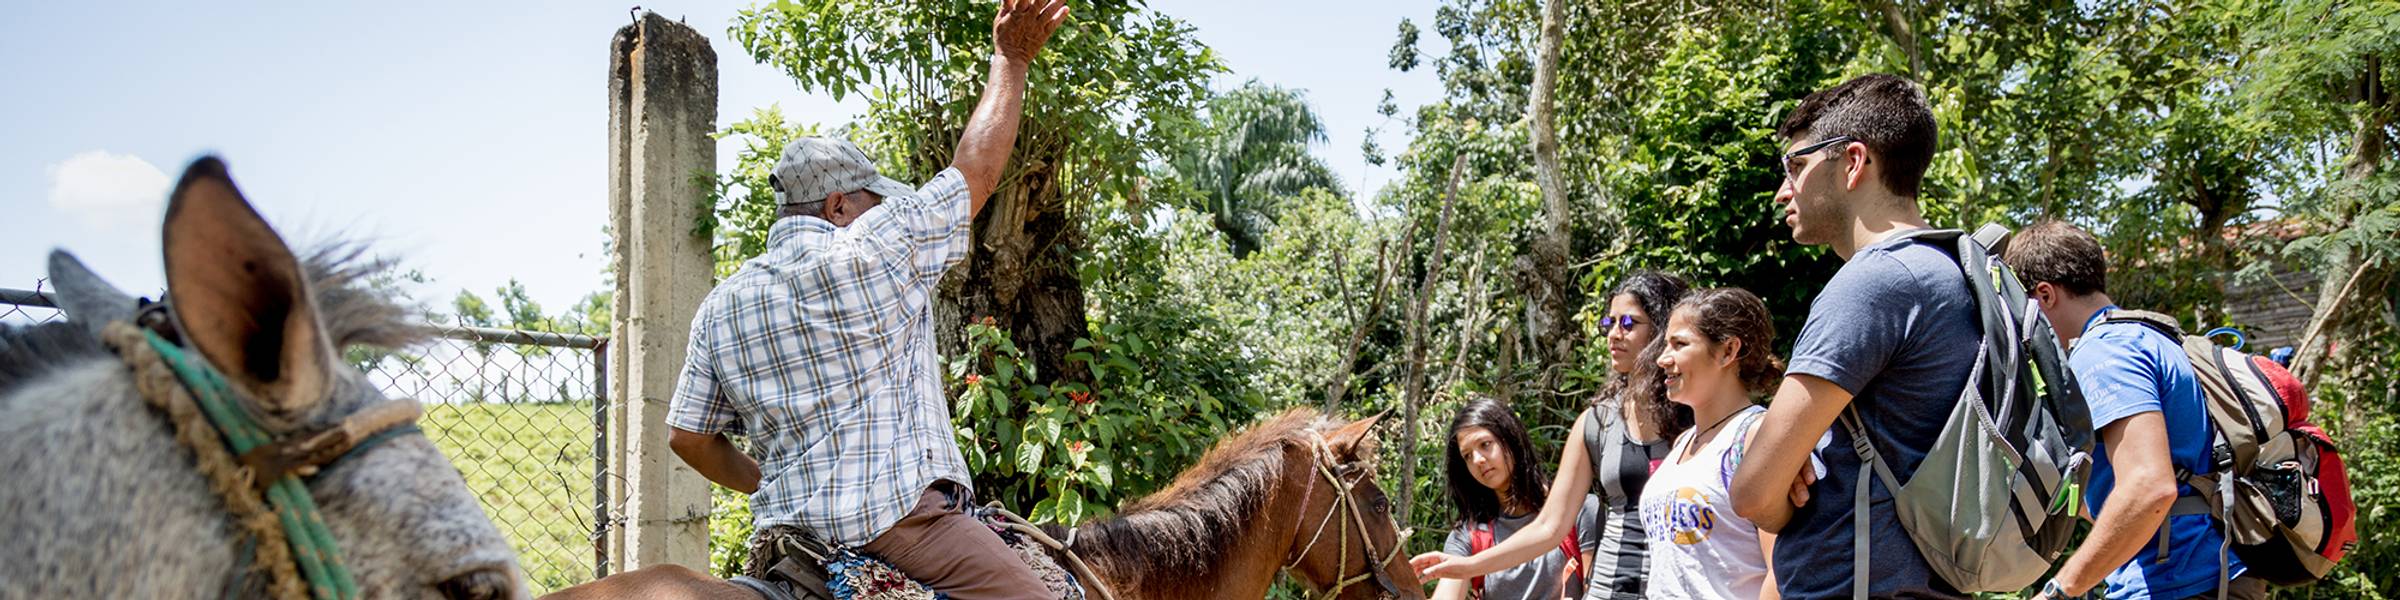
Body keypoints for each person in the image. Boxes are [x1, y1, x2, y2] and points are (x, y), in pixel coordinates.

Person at [661, 1, 1069, 597]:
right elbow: (974, 173)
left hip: (787, 539)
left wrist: (776, 484)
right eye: (872, 200)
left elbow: (688, 437)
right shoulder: (872, 248)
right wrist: (1011, 59)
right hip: (902, 524)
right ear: (838, 206)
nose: (880, 210)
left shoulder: (721, 303)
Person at [1724, 73, 1975, 600]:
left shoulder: (1875, 282)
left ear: (1854, 162)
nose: (1783, 191)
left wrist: (1779, 475)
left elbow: (1751, 492)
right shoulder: (1957, 269)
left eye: (1796, 167)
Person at [2002, 220, 2261, 600]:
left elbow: (2149, 486)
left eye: (2020, 311)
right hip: (2212, 572)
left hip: (2179, 582)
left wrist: (2060, 589)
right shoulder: (2152, 336)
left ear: (2044, 295)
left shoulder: (2104, 351)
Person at [1414, 272, 1693, 600]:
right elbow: (1549, 527)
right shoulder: (1596, 422)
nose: (1614, 334)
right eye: (1609, 323)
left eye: (1629, 323)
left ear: (1663, 329)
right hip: (1610, 591)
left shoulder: (1697, 415)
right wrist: (1466, 566)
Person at [1640, 288, 1783, 600]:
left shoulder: (1754, 436)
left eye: (1679, 344)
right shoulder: (1683, 441)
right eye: (1665, 345)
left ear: (1728, 351)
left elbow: (1781, 571)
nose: (1662, 359)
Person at [1433, 397, 1604, 600]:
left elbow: (1599, 592)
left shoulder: (1580, 510)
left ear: (1511, 439)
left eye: (1485, 444)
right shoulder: (1469, 535)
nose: (1478, 460)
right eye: (1468, 456)